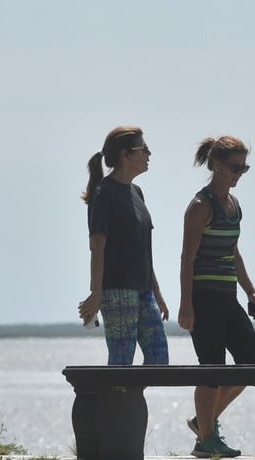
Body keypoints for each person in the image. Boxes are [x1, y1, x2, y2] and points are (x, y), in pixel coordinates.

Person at [177, 135, 255, 458]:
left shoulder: (234, 205)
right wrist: (186, 304)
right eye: (235, 167)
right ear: (216, 164)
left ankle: (203, 423)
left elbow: (234, 253)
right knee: (211, 368)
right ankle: (206, 441)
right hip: (203, 298)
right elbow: (187, 258)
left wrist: (252, 292)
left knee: (249, 365)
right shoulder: (201, 206)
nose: (239, 174)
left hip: (227, 297)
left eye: (245, 168)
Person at [78, 125, 169, 365]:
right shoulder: (104, 193)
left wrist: (157, 292)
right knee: (121, 360)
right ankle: (114, 402)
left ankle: (130, 401)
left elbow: (143, 248)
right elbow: (97, 247)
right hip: (116, 291)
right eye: (144, 149)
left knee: (159, 359)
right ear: (125, 154)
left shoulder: (137, 192)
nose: (149, 154)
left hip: (143, 290)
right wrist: (96, 292)